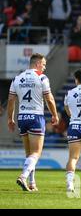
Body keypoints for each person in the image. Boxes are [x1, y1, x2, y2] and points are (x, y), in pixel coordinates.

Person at [7, 53, 59, 191]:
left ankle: (32, 183)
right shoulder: (41, 77)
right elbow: (49, 98)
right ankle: (23, 177)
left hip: (22, 118)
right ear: (37, 64)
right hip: (36, 117)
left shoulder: (17, 78)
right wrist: (54, 114)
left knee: (29, 153)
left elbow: (11, 100)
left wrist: (10, 119)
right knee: (36, 153)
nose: (45, 68)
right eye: (43, 64)